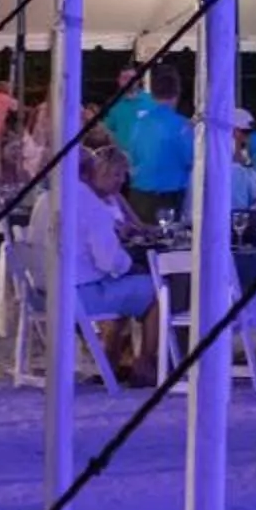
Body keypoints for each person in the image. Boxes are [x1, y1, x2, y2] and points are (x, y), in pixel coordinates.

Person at [58, 144, 161, 381]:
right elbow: (108, 261)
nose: (120, 180)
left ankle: (109, 362)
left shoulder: (49, 198)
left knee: (126, 288)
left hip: (48, 293)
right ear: (92, 172)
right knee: (155, 290)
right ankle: (144, 365)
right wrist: (127, 266)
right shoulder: (91, 205)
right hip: (80, 295)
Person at [119, 64, 194, 225]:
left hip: (139, 195)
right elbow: (191, 161)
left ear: (151, 94)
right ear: (178, 92)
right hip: (170, 197)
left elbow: (132, 156)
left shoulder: (138, 124)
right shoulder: (183, 126)